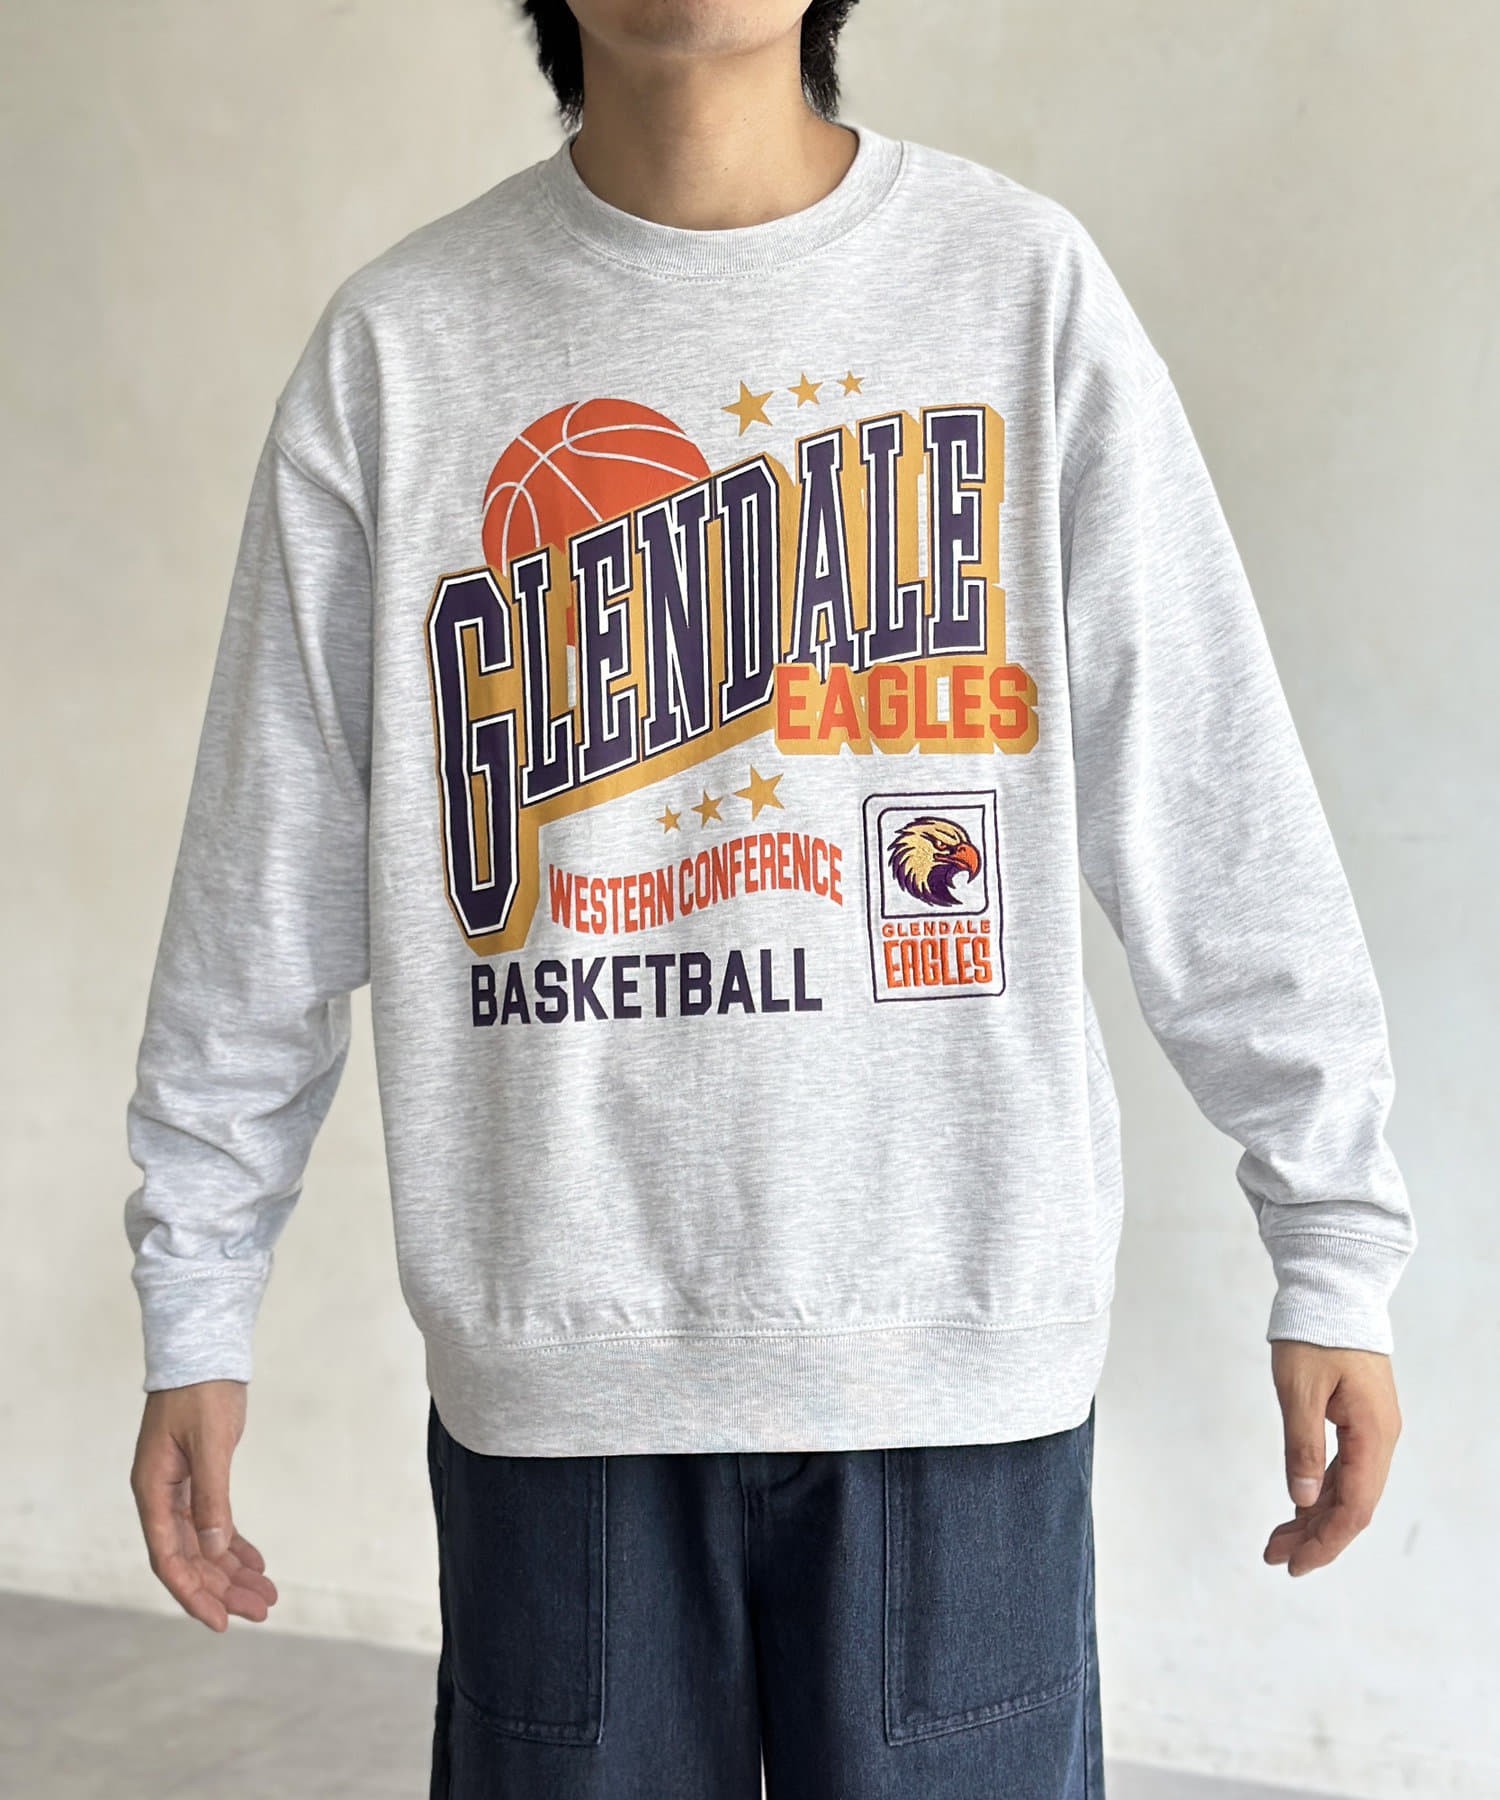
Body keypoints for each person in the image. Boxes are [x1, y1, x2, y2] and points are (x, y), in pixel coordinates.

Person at [123, 2, 1416, 1795]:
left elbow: (1211, 794)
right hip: (560, 1372)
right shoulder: (400, 354)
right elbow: (260, 882)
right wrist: (196, 1292)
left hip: (951, 1362)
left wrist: (1335, 1237)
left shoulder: (1018, 294)